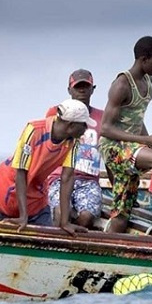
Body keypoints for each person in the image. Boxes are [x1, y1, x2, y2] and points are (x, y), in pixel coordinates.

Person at [99, 36, 152, 242]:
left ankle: (106, 252)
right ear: (143, 59)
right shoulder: (122, 85)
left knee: (120, 219)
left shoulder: (147, 79)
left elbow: (136, 118)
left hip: (131, 149)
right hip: (113, 148)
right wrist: (144, 140)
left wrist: (149, 140)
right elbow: (106, 129)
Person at [0, 99, 94, 236]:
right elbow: (21, 171)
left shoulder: (73, 141)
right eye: (84, 124)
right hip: (8, 188)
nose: (86, 129)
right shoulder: (34, 130)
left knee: (46, 237)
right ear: (71, 125)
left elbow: (67, 178)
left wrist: (65, 222)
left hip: (36, 193)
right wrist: (23, 216)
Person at [46, 69, 104, 229]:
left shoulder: (103, 117)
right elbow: (46, 146)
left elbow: (110, 151)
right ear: (69, 89)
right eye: (78, 87)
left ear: (93, 89)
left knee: (85, 218)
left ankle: (75, 248)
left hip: (88, 181)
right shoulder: (56, 113)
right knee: (60, 213)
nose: (82, 90)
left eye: (86, 86)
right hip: (59, 177)